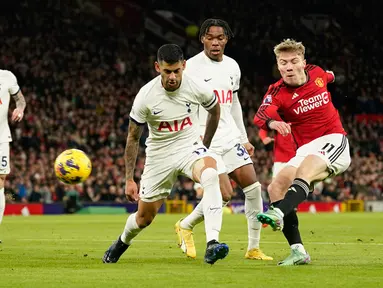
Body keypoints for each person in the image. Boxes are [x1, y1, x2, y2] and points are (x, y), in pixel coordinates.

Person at [103, 44, 229, 265]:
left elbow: (214, 110)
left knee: (211, 175)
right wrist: (129, 179)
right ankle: (121, 242)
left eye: (176, 71)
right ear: (157, 67)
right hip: (159, 155)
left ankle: (212, 244)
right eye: (167, 71)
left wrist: (205, 145)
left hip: (189, 146)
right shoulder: (145, 96)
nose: (172, 77)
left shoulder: (196, 86)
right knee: (144, 218)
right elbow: (133, 138)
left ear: (184, 66)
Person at [175, 18, 272, 261]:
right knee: (224, 193)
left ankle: (253, 248)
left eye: (220, 38)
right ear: (202, 39)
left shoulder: (232, 66)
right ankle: (189, 227)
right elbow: (181, 102)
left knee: (253, 187)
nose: (215, 42)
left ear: (226, 39)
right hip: (204, 139)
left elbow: (234, 103)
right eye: (210, 37)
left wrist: (243, 137)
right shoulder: (191, 67)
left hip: (229, 137)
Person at [253, 39, 351, 265]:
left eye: (293, 61)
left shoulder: (316, 73)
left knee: (303, 173)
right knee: (275, 186)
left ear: (303, 63)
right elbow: (261, 115)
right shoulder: (277, 92)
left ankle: (278, 213)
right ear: (278, 66)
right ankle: (298, 251)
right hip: (305, 149)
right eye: (282, 62)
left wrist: (337, 78)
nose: (288, 66)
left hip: (334, 139)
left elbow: (330, 76)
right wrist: (272, 124)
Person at [0, 70, 26, 243]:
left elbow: (20, 99)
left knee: (1, 179)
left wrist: (20, 108)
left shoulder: (7, 76)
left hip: (1, 138)